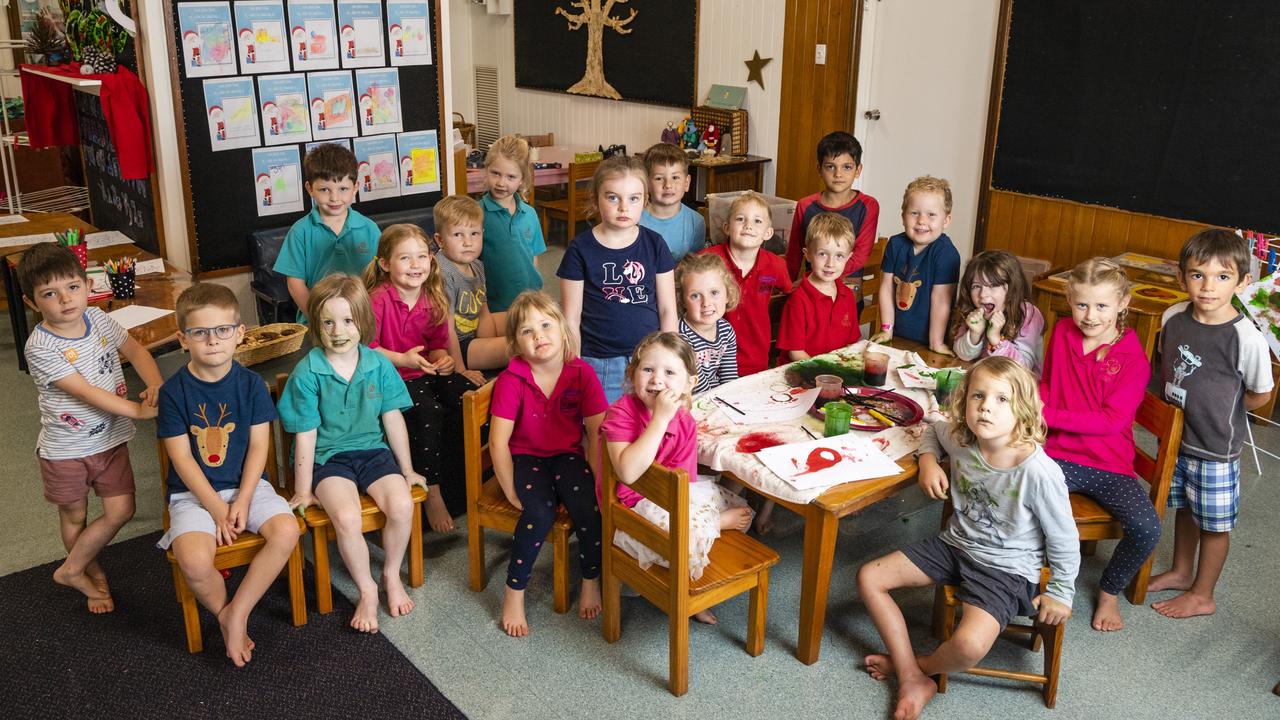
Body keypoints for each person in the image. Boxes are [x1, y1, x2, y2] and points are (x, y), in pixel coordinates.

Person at [858, 357, 1079, 720]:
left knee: (970, 645)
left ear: (1022, 408)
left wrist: (1061, 592)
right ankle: (912, 677)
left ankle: (919, 666)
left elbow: (1065, 538)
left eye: (1001, 399)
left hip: (1006, 570)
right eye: (978, 396)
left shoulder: (1039, 472)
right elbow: (933, 428)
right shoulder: (963, 437)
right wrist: (928, 461)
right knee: (870, 577)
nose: (986, 407)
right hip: (954, 546)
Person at [156, 283, 300, 666]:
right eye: (200, 332)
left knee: (287, 531)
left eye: (222, 330)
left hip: (249, 486)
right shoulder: (173, 393)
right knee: (194, 561)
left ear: (239, 334)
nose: (213, 340)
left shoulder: (252, 385)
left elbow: (258, 447)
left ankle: (237, 613)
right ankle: (225, 615)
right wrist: (217, 509)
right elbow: (183, 461)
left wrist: (245, 498)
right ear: (183, 339)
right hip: (193, 494)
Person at [18, 242, 162, 614]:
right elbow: (87, 393)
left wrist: (156, 385)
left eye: (72, 287)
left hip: (110, 439)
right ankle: (87, 571)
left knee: (121, 511)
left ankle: (71, 569)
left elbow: (135, 350)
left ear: (87, 285)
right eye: (50, 293)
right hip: (66, 450)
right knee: (74, 516)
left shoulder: (97, 319)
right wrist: (138, 410)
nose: (65, 299)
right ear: (32, 303)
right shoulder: (40, 346)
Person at [278, 274, 425, 632]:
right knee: (345, 518)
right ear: (316, 325)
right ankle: (367, 589)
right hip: (330, 459)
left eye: (348, 320)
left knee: (403, 505)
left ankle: (390, 573)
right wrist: (302, 488)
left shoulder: (378, 364)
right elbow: (306, 436)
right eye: (328, 322)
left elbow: (392, 421)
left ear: (364, 321)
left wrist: (406, 470)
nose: (338, 330)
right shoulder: (308, 372)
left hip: (373, 452)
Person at [1148, 229, 1274, 619]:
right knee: (1186, 509)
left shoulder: (1245, 337)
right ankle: (1183, 572)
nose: (1207, 286)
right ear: (1182, 277)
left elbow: (1261, 394)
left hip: (1216, 449)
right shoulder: (1172, 317)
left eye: (1222, 277)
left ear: (1242, 282)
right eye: (1198, 275)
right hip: (1176, 441)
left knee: (1214, 525)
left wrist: (1227, 414)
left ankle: (1204, 593)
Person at [602, 331, 753, 624]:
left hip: (672, 499)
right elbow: (628, 473)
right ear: (632, 373)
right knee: (695, 531)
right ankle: (708, 536)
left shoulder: (685, 421)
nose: (657, 380)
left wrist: (695, 510)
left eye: (669, 372)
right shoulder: (620, 414)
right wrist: (659, 420)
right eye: (648, 369)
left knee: (738, 505)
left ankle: (692, 574)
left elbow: (688, 483)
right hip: (630, 507)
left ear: (688, 383)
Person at [1039, 257, 1156, 632]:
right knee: (1020, 498)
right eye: (1082, 304)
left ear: (1123, 304)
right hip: (1057, 456)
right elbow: (1047, 383)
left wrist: (1048, 414)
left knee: (1147, 529)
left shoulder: (1133, 359)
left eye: (1102, 305)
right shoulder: (1061, 333)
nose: (1090, 315)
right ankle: (1029, 579)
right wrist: (1036, 404)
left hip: (1110, 464)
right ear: (1070, 301)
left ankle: (1109, 592)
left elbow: (1112, 422)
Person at [488, 291, 609, 637]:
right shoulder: (513, 379)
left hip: (568, 455)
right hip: (527, 458)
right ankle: (514, 591)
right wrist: (510, 487)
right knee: (538, 513)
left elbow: (596, 432)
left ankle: (590, 578)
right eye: (527, 331)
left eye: (545, 325)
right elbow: (498, 441)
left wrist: (596, 480)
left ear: (562, 328)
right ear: (515, 342)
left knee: (590, 508)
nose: (539, 336)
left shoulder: (581, 372)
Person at [365, 223, 479, 533]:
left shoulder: (433, 297)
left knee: (469, 396)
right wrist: (402, 359)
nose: (415, 265)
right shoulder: (378, 299)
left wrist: (443, 361)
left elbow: (438, 345)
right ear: (385, 264)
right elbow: (365, 349)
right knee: (429, 410)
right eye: (405, 258)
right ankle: (433, 489)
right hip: (391, 377)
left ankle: (474, 482)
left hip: (423, 369)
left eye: (421, 257)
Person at [558, 155, 677, 403]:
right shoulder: (580, 249)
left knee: (648, 424)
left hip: (649, 358)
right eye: (613, 197)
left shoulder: (655, 244)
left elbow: (667, 309)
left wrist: (671, 359)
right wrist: (574, 365)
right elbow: (571, 317)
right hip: (600, 361)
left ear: (645, 201)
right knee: (603, 430)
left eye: (633, 199)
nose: (624, 207)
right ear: (595, 199)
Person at [273, 143, 380, 321]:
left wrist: (369, 314)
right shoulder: (300, 231)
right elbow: (295, 284)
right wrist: (319, 317)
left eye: (343, 189)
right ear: (310, 189)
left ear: (355, 187)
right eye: (324, 190)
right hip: (316, 322)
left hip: (362, 319)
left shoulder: (369, 228)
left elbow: (380, 276)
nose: (334, 198)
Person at [701, 191, 793, 377]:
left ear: (768, 233)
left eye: (757, 221)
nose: (748, 226)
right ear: (726, 227)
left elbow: (790, 293)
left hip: (756, 358)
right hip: (712, 361)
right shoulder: (708, 260)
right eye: (740, 219)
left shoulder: (775, 265)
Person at [870, 176, 961, 354]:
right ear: (903, 216)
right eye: (914, 213)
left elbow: (942, 300)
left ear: (946, 220)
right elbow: (886, 287)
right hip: (897, 334)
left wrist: (936, 342)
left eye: (931, 214)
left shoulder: (946, 254)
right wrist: (887, 328)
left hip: (931, 339)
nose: (921, 220)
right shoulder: (895, 244)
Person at [785, 131, 880, 292]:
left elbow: (860, 256)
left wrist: (822, 276)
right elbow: (794, 255)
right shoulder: (805, 205)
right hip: (811, 290)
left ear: (858, 170)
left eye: (847, 167)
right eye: (830, 167)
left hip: (848, 291)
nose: (838, 174)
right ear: (819, 169)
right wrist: (786, 287)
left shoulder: (868, 206)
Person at [433, 195, 509, 372]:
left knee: (528, 318)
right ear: (440, 240)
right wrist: (461, 371)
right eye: (458, 234)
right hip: (457, 345)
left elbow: (483, 313)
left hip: (474, 330)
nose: (468, 242)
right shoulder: (442, 272)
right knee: (521, 344)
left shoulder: (477, 265)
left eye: (474, 233)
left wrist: (487, 344)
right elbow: (446, 329)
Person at [778, 213, 861, 361]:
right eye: (823, 254)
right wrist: (825, 375)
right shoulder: (798, 300)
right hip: (800, 372)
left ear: (848, 258)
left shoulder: (847, 295)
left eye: (839, 256)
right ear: (808, 254)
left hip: (835, 372)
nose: (831, 263)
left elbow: (851, 344)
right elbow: (796, 353)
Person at [480, 135, 546, 312]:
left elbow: (533, 257)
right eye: (495, 173)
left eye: (511, 177)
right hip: (494, 305)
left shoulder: (530, 214)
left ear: (522, 179)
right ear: (486, 169)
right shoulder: (476, 214)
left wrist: (536, 295)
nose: (501, 182)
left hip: (529, 301)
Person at [951, 250, 1044, 372]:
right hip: (985, 379)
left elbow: (1022, 367)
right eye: (976, 286)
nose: (983, 294)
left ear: (1012, 288)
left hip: (1018, 386)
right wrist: (975, 334)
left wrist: (995, 338)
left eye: (993, 285)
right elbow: (963, 355)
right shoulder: (974, 311)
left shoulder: (1028, 314)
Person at [675, 252, 739, 394]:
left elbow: (729, 375)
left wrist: (731, 397)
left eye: (714, 293)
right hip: (691, 398)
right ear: (683, 301)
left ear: (728, 294)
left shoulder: (726, 330)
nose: (706, 303)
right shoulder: (680, 335)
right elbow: (698, 385)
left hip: (717, 395)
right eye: (695, 296)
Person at [639, 142, 707, 260]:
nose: (668, 185)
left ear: (687, 183)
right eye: (659, 178)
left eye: (675, 177)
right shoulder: (635, 219)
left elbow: (694, 268)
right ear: (647, 183)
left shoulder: (696, 222)